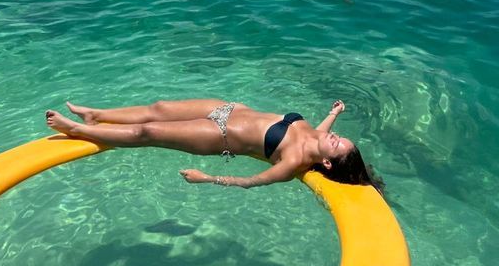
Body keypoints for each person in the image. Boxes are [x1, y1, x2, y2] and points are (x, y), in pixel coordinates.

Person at [45, 98, 383, 192]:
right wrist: (333, 114)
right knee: (159, 108)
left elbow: (249, 182)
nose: (334, 137)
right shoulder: (317, 136)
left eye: (337, 144)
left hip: (218, 136)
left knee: (146, 132)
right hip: (228, 108)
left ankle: (76, 130)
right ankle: (96, 115)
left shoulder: (291, 162)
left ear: (326, 163)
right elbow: (320, 132)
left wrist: (206, 178)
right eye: (339, 136)